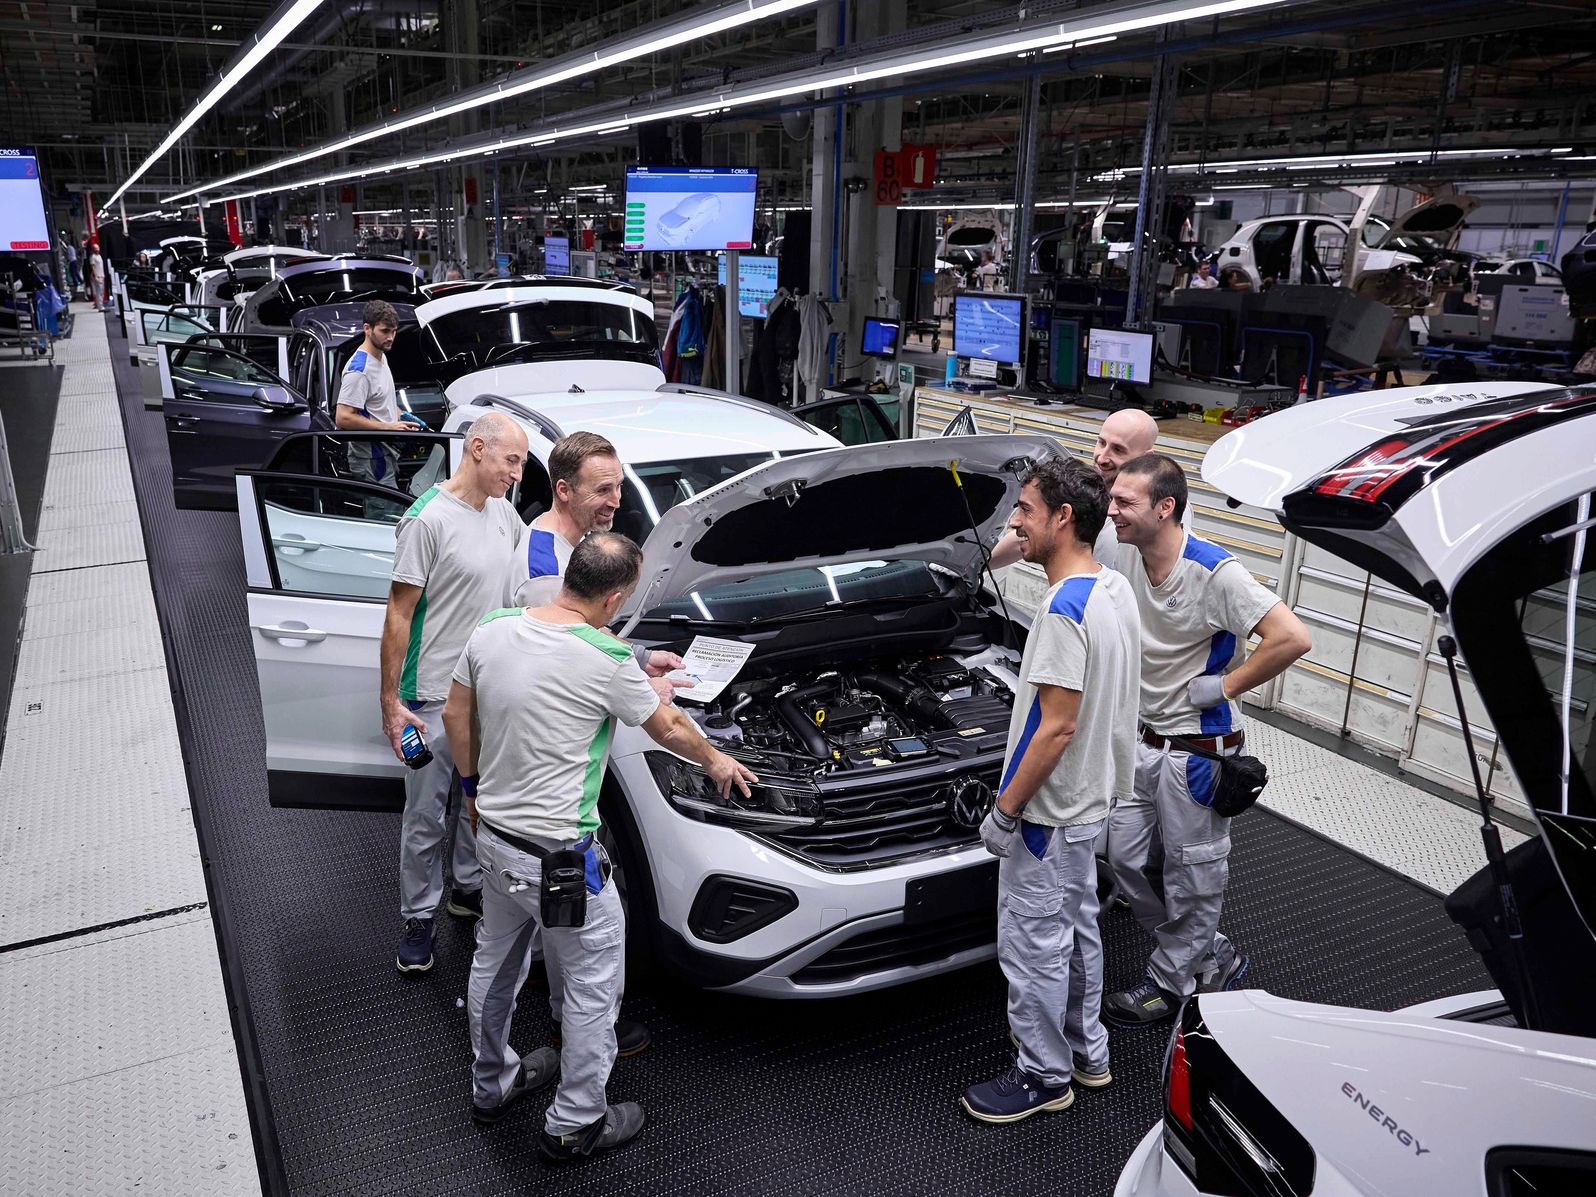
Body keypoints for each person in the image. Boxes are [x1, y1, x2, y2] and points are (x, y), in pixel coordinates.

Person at [448, 533, 758, 1160]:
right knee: (592, 987)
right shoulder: (606, 658)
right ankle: (576, 1119)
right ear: (614, 597)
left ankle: (491, 1084)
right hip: (563, 864)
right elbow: (667, 726)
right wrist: (718, 759)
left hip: (496, 840)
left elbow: (458, 714)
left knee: (494, 965)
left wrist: (473, 792)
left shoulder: (494, 628)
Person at [1101, 454, 1311, 1025]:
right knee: (1123, 858)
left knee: (1192, 873)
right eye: (1112, 498)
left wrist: (1223, 686)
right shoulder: (1123, 548)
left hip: (1196, 751)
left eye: (1125, 501)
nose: (1112, 509)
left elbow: (1291, 637)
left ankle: (1172, 983)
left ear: (1165, 507)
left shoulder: (1214, 572)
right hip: (1142, 741)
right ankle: (1206, 949)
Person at [961, 458, 1140, 1124]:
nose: (1014, 520)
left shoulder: (1064, 609)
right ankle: (1087, 1051)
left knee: (1033, 944)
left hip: (1048, 812)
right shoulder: (1110, 589)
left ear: (1064, 518)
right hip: (1092, 800)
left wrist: (1006, 811)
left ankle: (1042, 1073)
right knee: (1079, 931)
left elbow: (1056, 726)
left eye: (1027, 509)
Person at [382, 410, 530, 974]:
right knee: (424, 814)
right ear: (475, 449)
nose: (515, 474)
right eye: (510, 461)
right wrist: (391, 704)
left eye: (519, 463)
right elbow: (398, 616)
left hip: (488, 698)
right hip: (426, 703)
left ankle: (467, 888)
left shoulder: (504, 513)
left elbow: (524, 584)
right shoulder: (426, 521)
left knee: (481, 801)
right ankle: (419, 917)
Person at [988, 407, 1187, 569]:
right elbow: (1031, 531)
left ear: (1147, 456)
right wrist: (977, 566)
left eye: (1118, 449)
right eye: (1101, 443)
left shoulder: (1165, 509)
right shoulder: (1084, 490)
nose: (1101, 457)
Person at [335, 299, 416, 485]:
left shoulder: (381, 357)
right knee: (384, 513)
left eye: (394, 331)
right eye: (385, 331)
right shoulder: (360, 370)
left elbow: (378, 402)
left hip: (386, 452)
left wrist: (402, 416)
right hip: (371, 459)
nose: (391, 337)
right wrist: (389, 427)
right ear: (367, 328)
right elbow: (343, 417)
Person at [84, 240, 103, 312]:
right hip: (98, 275)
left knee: (101, 291)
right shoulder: (93, 257)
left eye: (98, 248)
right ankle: (100, 306)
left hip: (102, 274)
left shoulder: (99, 256)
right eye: (96, 248)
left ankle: (101, 305)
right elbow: (93, 267)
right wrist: (95, 276)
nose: (97, 249)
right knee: (98, 291)